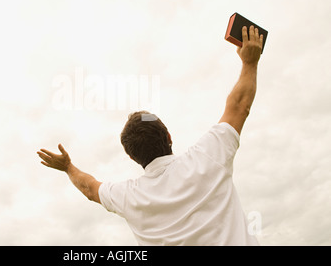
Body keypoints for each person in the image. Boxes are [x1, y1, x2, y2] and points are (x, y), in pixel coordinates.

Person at [37, 25, 263, 245]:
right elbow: (239, 106)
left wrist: (68, 167)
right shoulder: (207, 156)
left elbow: (89, 188)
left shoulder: (128, 196)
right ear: (169, 137)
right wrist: (249, 62)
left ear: (133, 157)